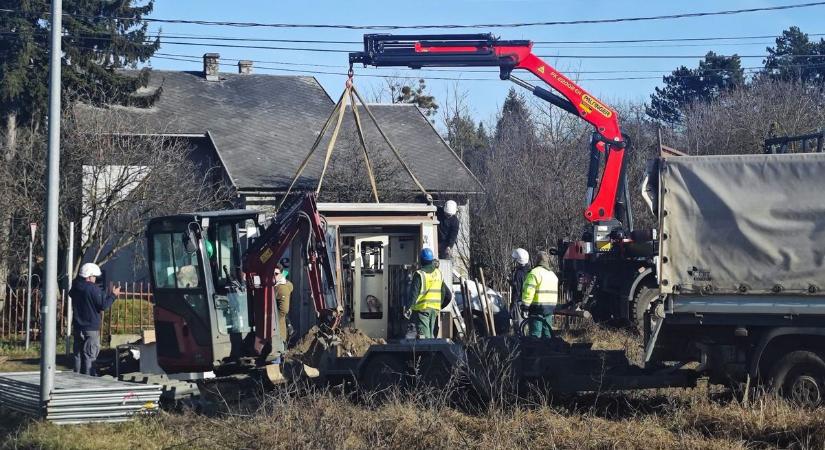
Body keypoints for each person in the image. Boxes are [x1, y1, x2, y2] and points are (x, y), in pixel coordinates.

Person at [69, 263, 120, 375]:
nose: (95, 279)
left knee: (78, 355)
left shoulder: (76, 286)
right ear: (89, 275)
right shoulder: (93, 289)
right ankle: (89, 380)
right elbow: (103, 305)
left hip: (78, 326)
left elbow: (71, 294)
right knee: (90, 356)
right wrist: (113, 295)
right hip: (91, 328)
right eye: (94, 276)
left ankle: (76, 378)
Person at [406, 248, 452, 339]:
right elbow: (447, 295)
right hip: (434, 311)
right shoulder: (438, 273)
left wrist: (408, 308)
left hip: (422, 311)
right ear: (431, 260)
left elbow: (413, 294)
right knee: (431, 338)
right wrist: (439, 306)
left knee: (425, 340)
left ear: (421, 260)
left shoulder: (419, 274)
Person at [521, 251, 559, 339]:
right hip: (550, 308)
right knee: (547, 333)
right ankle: (548, 350)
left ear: (537, 260)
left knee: (535, 334)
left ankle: (536, 351)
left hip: (537, 308)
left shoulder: (534, 273)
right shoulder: (552, 275)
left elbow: (529, 291)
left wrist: (525, 307)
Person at [273, 264, 293, 348]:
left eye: (276, 274)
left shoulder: (281, 288)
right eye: (272, 273)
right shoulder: (276, 285)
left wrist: (274, 320)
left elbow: (284, 310)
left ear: (281, 274)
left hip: (277, 330)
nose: (274, 276)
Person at [509, 248, 530, 319]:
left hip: (519, 302)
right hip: (527, 302)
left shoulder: (518, 273)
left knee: (518, 325)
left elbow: (517, 290)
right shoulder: (529, 271)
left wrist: (513, 304)